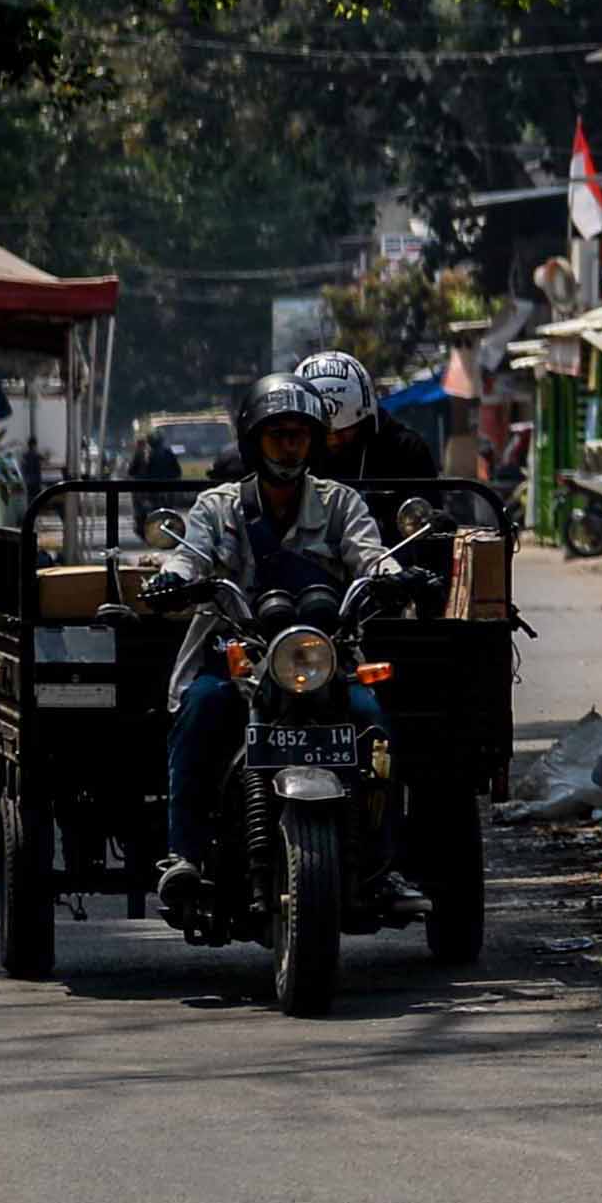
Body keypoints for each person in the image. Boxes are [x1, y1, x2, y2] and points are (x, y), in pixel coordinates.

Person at [143, 372, 410, 923]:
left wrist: (395, 575)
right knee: (201, 708)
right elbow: (189, 556)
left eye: (299, 436)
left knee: (372, 722)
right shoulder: (219, 507)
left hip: (322, 657)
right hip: (233, 654)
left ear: (314, 442)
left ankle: (385, 866)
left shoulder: (341, 503)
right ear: (253, 443)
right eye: (276, 436)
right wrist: (173, 577)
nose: (289, 447)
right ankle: (184, 853)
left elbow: (370, 553)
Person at [295, 349, 444, 492]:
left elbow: (426, 511)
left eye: (345, 430)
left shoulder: (404, 450)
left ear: (366, 421)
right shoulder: (293, 454)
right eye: (325, 433)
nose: (334, 440)